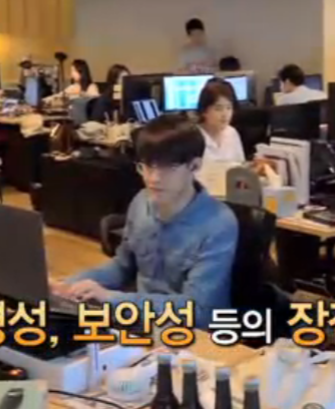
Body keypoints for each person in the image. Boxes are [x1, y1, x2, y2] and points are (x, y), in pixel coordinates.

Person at [53, 114, 238, 328]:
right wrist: (69, 286)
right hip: (140, 320)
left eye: (168, 167)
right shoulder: (142, 202)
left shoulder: (218, 224)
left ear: (194, 166)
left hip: (192, 333)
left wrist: (112, 298)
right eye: (148, 166)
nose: (153, 178)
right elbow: (123, 266)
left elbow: (198, 310)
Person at [196, 78, 245, 164]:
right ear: (204, 111)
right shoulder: (194, 138)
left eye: (229, 108)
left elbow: (240, 165)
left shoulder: (231, 133)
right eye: (218, 109)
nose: (225, 114)